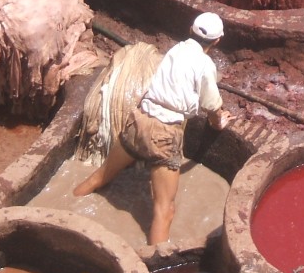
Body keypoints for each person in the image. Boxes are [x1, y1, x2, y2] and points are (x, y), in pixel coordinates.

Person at [72, 12, 232, 245]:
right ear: (217, 41)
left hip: (139, 119)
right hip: (165, 133)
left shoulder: (176, 50)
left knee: (98, 178)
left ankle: (66, 206)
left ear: (190, 30)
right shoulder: (206, 65)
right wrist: (219, 122)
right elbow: (211, 105)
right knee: (164, 211)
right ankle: (155, 270)